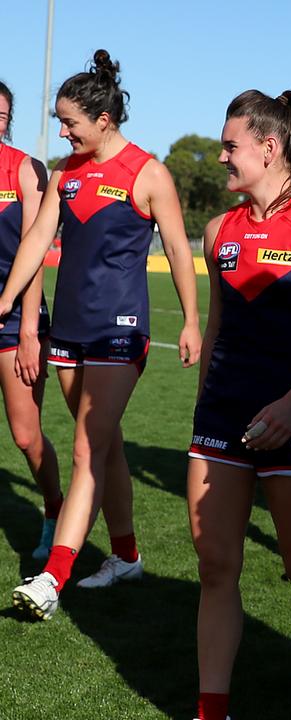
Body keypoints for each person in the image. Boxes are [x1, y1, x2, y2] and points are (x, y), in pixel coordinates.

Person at [3, 50, 202, 620]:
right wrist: (7, 300)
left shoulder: (149, 172)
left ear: (104, 120)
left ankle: (52, 576)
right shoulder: (64, 173)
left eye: (70, 122)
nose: (61, 132)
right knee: (107, 445)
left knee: (88, 445)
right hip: (68, 330)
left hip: (122, 330)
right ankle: (126, 555)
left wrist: (190, 319)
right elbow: (37, 240)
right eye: (60, 122)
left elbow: (179, 252)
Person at [186, 89, 291, 720]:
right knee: (216, 566)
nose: (222, 155)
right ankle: (212, 708)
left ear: (268, 146)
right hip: (222, 419)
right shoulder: (218, 232)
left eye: (231, 145)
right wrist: (204, 413)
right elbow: (219, 331)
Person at [0, 81, 63, 560]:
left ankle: (54, 507)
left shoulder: (25, 168)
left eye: (1, 115)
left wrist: (27, 329)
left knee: (25, 434)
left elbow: (35, 248)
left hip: (14, 315)